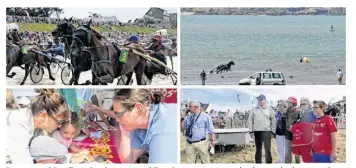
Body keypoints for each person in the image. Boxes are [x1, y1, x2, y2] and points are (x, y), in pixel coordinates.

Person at [88, 89, 177, 163]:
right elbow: (128, 161)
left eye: (118, 114)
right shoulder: (138, 124)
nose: (117, 119)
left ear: (138, 108)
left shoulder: (163, 132)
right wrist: (125, 133)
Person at [6, 89, 71, 164]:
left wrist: (70, 159)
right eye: (59, 122)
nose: (60, 126)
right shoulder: (18, 126)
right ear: (43, 116)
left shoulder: (33, 119)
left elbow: (47, 150)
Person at [248, 94, 276, 164]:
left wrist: (273, 132)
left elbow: (273, 120)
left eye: (261, 99)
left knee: (268, 150)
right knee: (258, 149)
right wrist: (251, 131)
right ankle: (258, 163)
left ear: (265, 100)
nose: (259, 101)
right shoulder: (254, 109)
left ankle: (269, 163)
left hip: (267, 132)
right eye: (258, 99)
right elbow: (250, 120)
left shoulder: (270, 109)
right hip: (257, 132)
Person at [284, 96, 301, 163]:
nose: (287, 104)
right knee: (287, 153)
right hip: (287, 135)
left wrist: (294, 127)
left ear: (293, 103)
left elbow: (302, 122)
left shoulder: (298, 111)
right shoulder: (286, 111)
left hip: (296, 136)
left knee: (297, 154)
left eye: (289, 102)